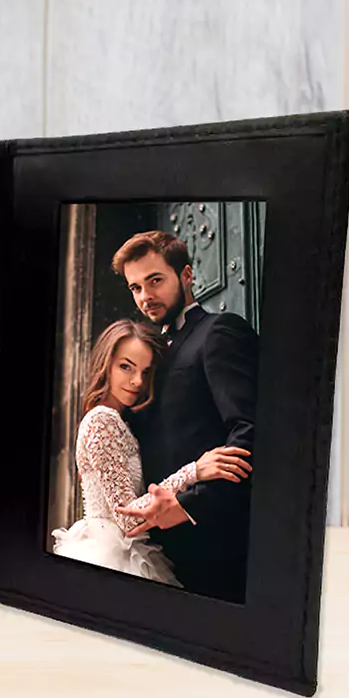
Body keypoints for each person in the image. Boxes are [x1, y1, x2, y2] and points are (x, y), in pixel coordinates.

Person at [114, 230, 260, 602]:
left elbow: (251, 431)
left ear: (188, 275)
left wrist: (187, 506)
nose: (145, 296)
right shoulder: (149, 357)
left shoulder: (218, 333)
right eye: (135, 288)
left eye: (155, 280)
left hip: (214, 543)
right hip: (157, 551)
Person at [52, 319, 251, 585]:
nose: (136, 381)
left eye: (145, 372)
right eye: (126, 367)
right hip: (111, 553)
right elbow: (127, 519)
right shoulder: (101, 420)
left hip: (133, 550)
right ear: (105, 364)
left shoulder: (123, 421)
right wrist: (194, 471)